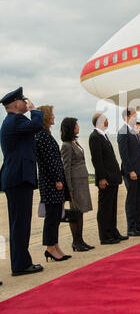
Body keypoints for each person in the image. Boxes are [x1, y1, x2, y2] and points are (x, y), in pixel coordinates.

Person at [0, 87, 44, 276]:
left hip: (16, 177)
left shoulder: (12, 121)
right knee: (20, 224)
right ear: (16, 104)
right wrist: (35, 110)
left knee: (20, 222)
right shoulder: (15, 120)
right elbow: (36, 126)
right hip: (18, 178)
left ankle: (21, 262)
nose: (26, 103)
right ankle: (20, 265)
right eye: (24, 101)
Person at [35, 105, 71, 262]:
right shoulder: (42, 136)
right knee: (52, 216)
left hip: (53, 181)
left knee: (56, 216)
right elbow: (50, 161)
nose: (54, 117)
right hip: (50, 183)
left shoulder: (45, 134)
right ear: (46, 117)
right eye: (52, 114)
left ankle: (55, 245)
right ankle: (50, 247)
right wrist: (57, 179)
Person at [89, 113, 128, 245]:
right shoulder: (94, 137)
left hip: (113, 178)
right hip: (106, 179)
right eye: (106, 119)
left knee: (112, 208)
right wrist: (101, 178)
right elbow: (97, 160)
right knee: (105, 208)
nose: (108, 121)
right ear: (100, 122)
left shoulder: (103, 135)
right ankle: (105, 236)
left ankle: (113, 231)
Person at [61, 117, 94, 252]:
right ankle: (76, 242)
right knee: (75, 213)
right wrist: (69, 188)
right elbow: (66, 168)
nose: (78, 127)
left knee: (80, 212)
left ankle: (80, 240)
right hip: (74, 183)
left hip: (82, 181)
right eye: (76, 125)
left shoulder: (75, 143)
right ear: (71, 128)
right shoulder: (66, 145)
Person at [117, 108, 140, 237]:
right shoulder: (123, 132)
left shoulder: (132, 131)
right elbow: (124, 154)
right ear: (128, 117)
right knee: (132, 199)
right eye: (135, 115)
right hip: (132, 171)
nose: (136, 117)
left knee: (138, 199)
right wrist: (130, 170)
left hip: (139, 170)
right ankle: (131, 227)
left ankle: (137, 225)